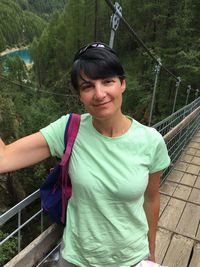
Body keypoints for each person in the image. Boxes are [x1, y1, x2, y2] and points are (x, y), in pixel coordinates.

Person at [0, 42, 170, 267]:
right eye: (87, 86)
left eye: (108, 81)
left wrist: (151, 251)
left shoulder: (151, 141)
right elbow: (4, 159)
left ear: (122, 84)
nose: (99, 94)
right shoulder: (69, 129)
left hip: (131, 258)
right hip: (77, 259)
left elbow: (151, 198)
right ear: (80, 95)